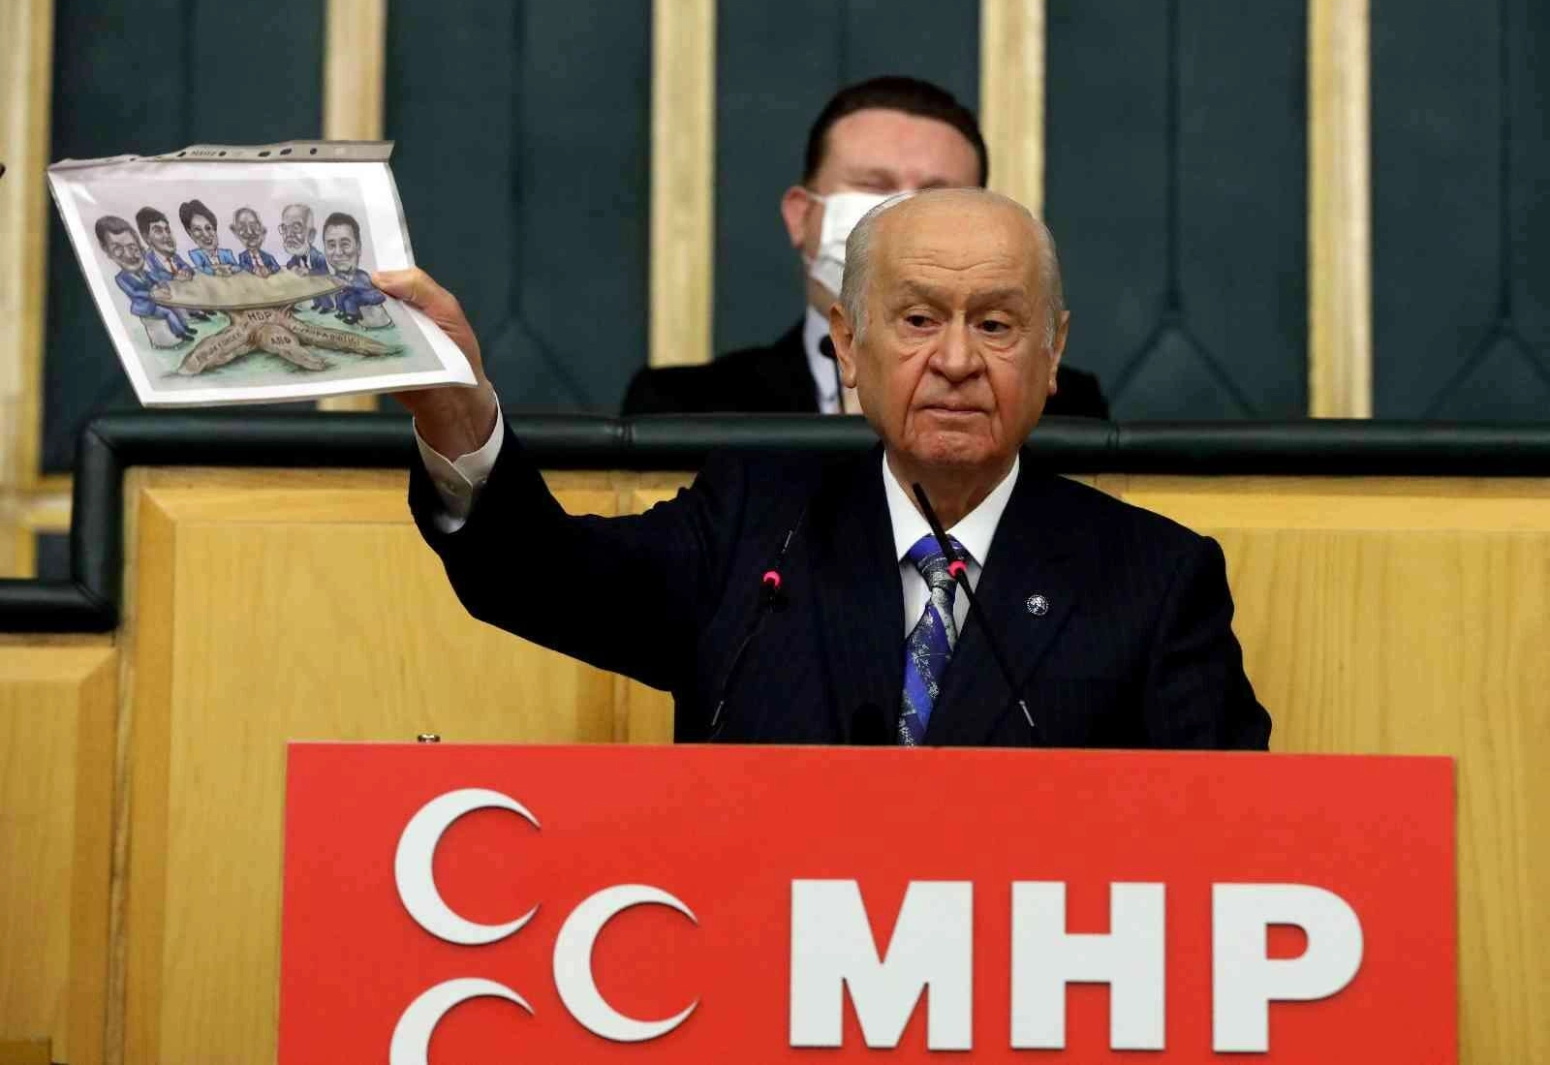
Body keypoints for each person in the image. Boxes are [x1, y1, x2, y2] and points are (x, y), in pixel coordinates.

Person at [385, 189, 1267, 750]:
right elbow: (538, 576)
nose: (958, 360)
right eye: (919, 320)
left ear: (1053, 350)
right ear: (848, 344)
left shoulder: (1153, 579)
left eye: (996, 325)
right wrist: (458, 411)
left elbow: (1227, 843)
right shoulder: (753, 524)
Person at [621, 76, 1108, 420]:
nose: (901, 218)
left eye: (935, 196)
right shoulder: (681, 408)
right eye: (873, 187)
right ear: (801, 215)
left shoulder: (1064, 408)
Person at [95, 214, 193, 344]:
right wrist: (151, 294)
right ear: (107, 252)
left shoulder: (145, 272)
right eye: (117, 249)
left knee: (174, 307)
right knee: (168, 312)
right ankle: (180, 333)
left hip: (157, 301)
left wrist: (170, 280)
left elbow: (156, 278)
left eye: (132, 248)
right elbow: (134, 293)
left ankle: (185, 328)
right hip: (145, 307)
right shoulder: (121, 278)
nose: (129, 255)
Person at [136, 206, 209, 324]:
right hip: (168, 300)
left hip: (185, 296)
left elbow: (187, 267)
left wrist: (186, 272)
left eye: (167, 230)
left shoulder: (174, 257)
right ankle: (186, 317)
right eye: (158, 231)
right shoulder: (147, 260)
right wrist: (174, 278)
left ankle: (196, 311)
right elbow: (153, 276)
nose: (166, 235)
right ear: (146, 238)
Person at [321, 212, 391, 326]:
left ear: (358, 247)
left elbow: (364, 289)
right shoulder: (337, 277)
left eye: (345, 244)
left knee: (350, 300)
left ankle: (353, 315)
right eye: (332, 245)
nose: (338, 252)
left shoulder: (362, 276)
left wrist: (347, 285)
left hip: (369, 296)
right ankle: (342, 312)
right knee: (340, 297)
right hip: (354, 294)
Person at [279, 203, 335, 313]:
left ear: (311, 235)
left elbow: (325, 273)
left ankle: (327, 306)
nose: (289, 234)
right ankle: (317, 304)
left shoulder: (318, 256)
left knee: (320, 291)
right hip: (310, 284)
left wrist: (309, 271)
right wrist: (294, 267)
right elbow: (290, 263)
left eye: (296, 228)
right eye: (284, 228)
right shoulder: (297, 255)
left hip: (321, 283)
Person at [181, 199, 239, 276]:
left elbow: (237, 268)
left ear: (215, 230)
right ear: (190, 234)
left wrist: (229, 268)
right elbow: (201, 269)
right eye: (197, 229)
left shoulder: (227, 253)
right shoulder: (195, 254)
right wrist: (217, 270)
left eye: (208, 228)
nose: (206, 235)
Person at [231, 207, 280, 277]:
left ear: (262, 232)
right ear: (235, 232)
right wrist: (253, 270)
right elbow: (243, 265)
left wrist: (269, 270)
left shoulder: (268, 257)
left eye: (254, 226)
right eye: (242, 228)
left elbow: (276, 266)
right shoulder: (243, 256)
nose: (249, 232)